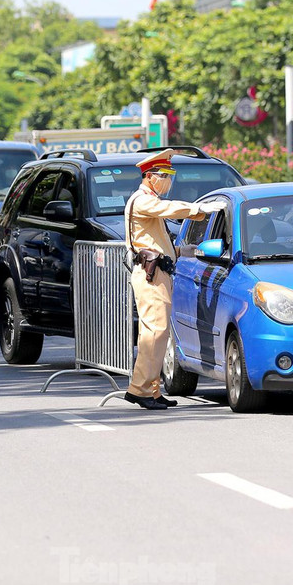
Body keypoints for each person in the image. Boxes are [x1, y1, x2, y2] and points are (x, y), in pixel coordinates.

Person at [122, 149, 221, 410]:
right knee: (155, 333)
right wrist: (198, 209)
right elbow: (166, 209)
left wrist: (180, 252)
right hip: (151, 275)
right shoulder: (142, 201)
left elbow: (156, 241)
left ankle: (151, 390)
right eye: (164, 175)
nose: (168, 181)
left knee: (155, 333)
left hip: (159, 271)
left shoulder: (148, 201)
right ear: (150, 176)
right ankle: (140, 389)